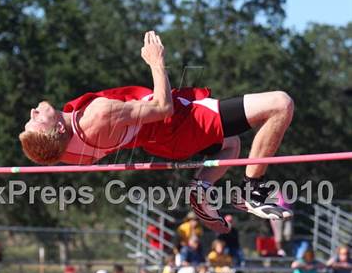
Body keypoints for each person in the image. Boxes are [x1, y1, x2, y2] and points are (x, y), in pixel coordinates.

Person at [19, 31, 294, 233]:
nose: (32, 113)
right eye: (35, 121)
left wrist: (38, 144)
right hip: (181, 124)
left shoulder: (68, 150)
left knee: (230, 145)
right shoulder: (98, 115)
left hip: (160, 141)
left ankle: (202, 187)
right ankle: (252, 190)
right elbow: (164, 107)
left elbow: (48, 154)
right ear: (56, 128)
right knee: (280, 104)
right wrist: (155, 61)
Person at [269, 191, 293, 257]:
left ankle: (286, 251)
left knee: (288, 234)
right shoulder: (274, 194)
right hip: (277, 216)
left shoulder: (287, 194)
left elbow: (289, 205)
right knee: (278, 236)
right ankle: (280, 251)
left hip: (287, 216)